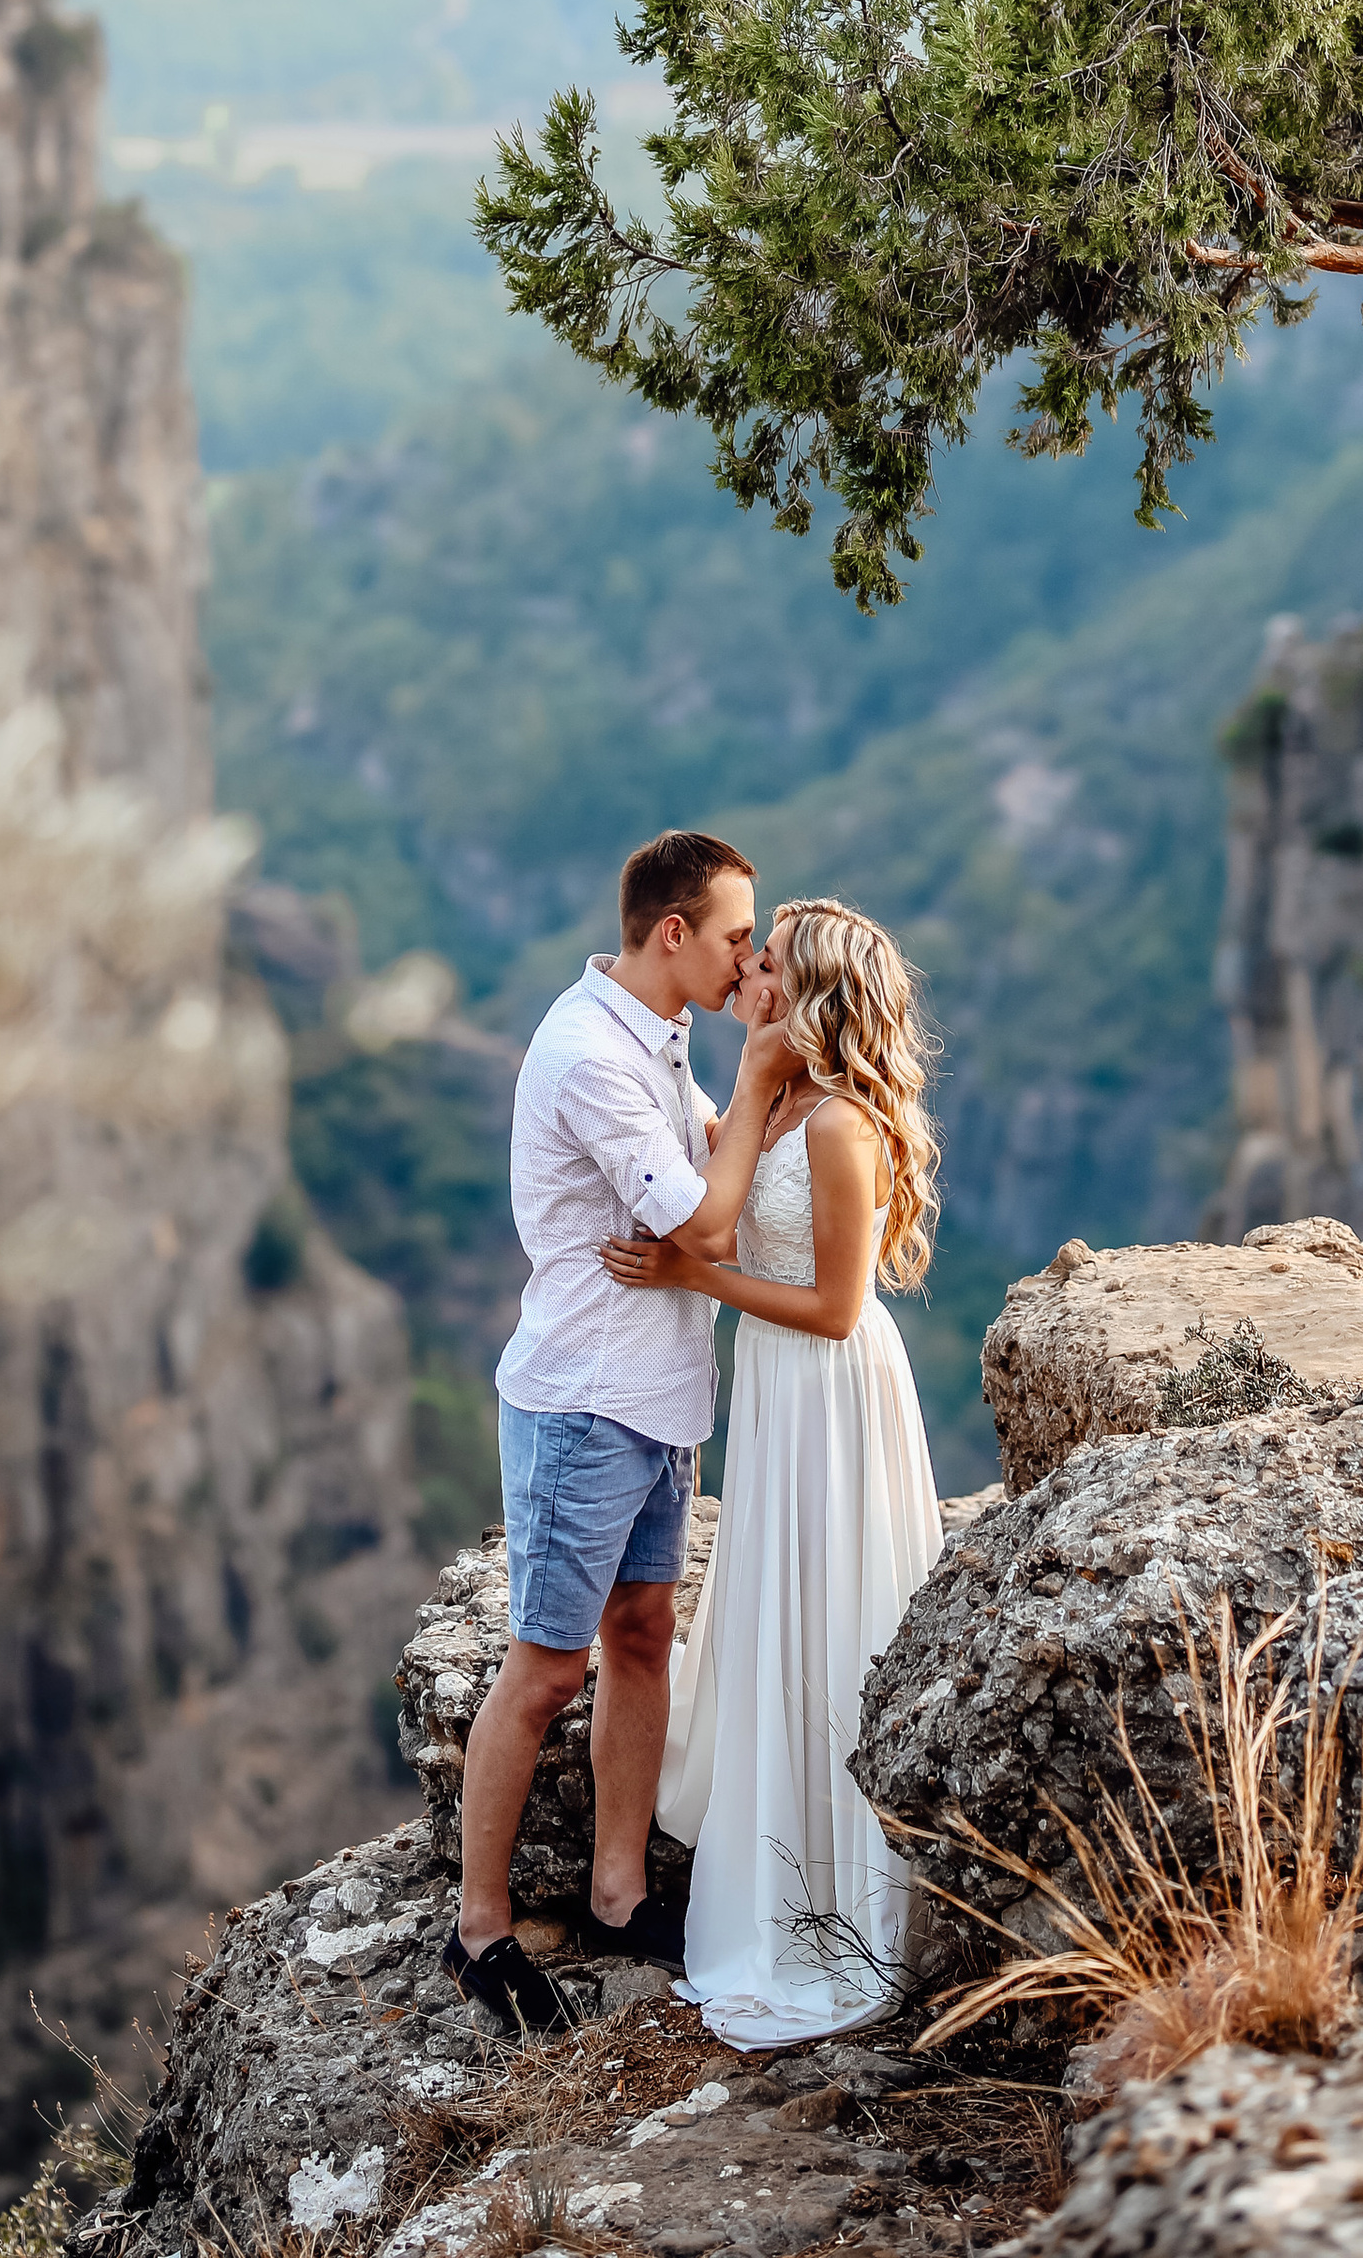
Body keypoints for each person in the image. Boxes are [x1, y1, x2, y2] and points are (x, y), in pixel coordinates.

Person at [444, 826, 804, 2040]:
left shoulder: (659, 1035)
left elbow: (703, 1163)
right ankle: (480, 1930)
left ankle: (616, 1892)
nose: (746, 960)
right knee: (547, 1668)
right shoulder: (586, 1053)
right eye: (737, 938)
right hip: (582, 1403)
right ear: (672, 933)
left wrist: (753, 1095)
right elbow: (703, 1224)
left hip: (660, 1398)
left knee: (643, 1633)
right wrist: (759, 1084)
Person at [600, 895, 944, 2047]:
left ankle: (841, 1909)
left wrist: (692, 1285)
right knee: (776, 1625)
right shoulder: (774, 1097)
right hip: (777, 1393)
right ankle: (770, 1878)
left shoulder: (843, 1125)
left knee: (836, 1628)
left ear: (812, 997)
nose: (748, 971)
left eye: (771, 964)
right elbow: (704, 1209)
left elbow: (840, 1310)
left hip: (831, 1391)